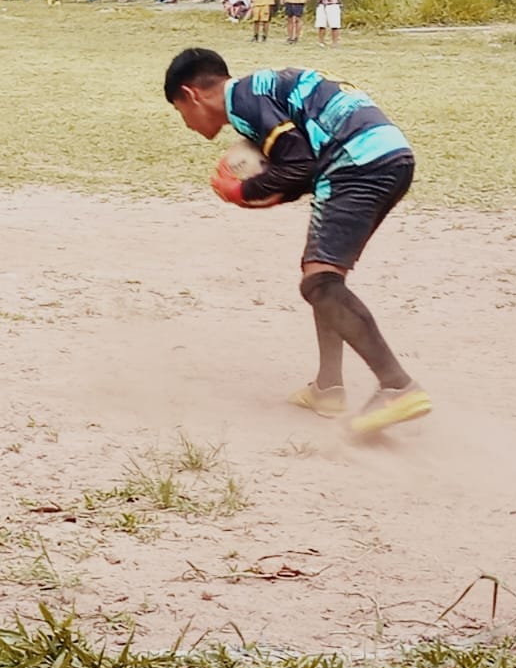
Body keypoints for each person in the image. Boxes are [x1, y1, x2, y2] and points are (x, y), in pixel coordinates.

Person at [163, 48, 430, 434]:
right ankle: (328, 387)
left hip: (357, 161)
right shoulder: (258, 90)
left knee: (320, 284)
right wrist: (262, 193)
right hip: (384, 155)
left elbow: (299, 164)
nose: (186, 122)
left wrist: (243, 190)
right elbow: (302, 168)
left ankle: (397, 386)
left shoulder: (244, 100)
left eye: (179, 111)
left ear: (192, 95)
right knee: (322, 274)